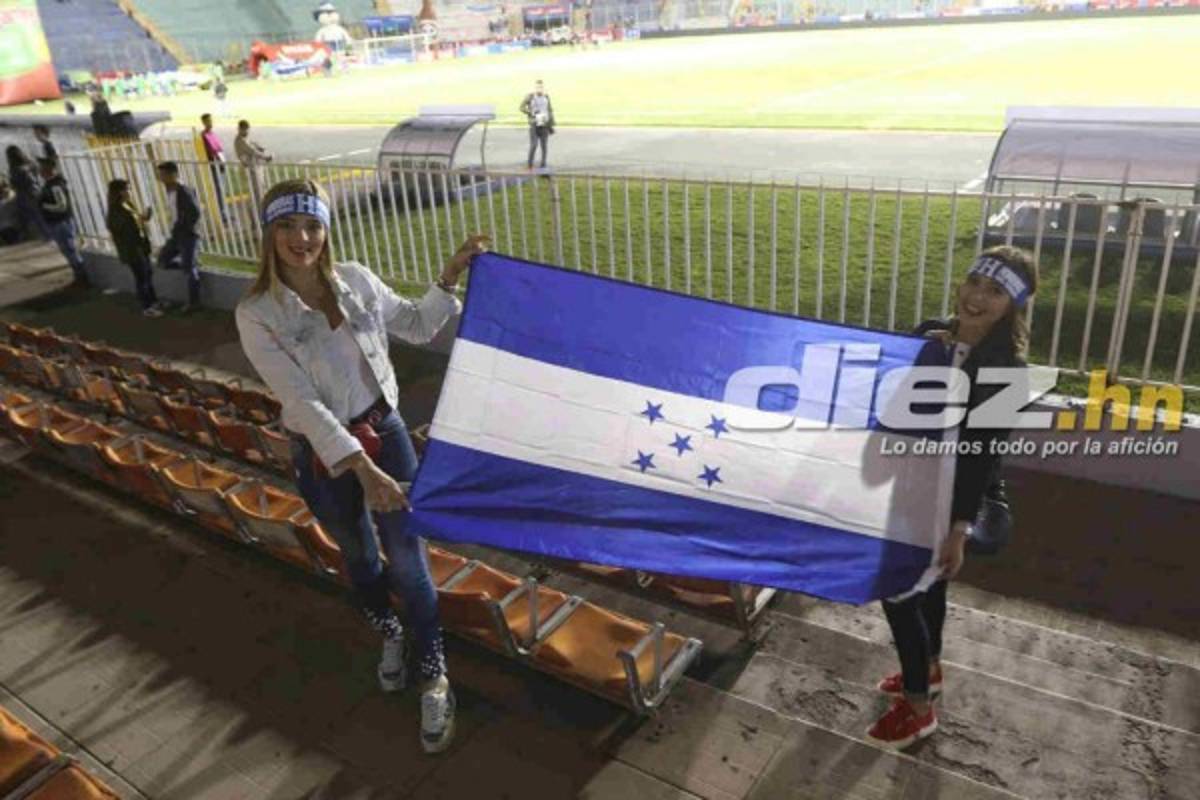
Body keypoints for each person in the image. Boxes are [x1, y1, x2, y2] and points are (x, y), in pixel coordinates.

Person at [235, 177, 489, 754]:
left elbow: (419, 324)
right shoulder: (257, 314)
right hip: (324, 455)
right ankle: (390, 632)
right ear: (269, 235)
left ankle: (433, 671)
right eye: (287, 227)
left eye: (312, 225)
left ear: (326, 228)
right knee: (357, 555)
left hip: (389, 433)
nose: (302, 238)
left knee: (408, 558)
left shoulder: (357, 281)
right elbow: (300, 401)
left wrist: (449, 275)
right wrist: (361, 470)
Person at [866, 245, 1039, 750]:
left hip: (967, 496)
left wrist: (958, 530)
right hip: (915, 481)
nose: (977, 297)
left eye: (995, 291)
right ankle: (931, 670)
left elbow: (982, 457)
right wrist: (930, 356)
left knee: (898, 592)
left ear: (1013, 306)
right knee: (928, 588)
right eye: (974, 283)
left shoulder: (1009, 370)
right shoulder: (930, 334)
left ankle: (919, 710)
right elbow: (898, 404)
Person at [105, 179, 163, 317]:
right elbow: (122, 230)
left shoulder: (127, 204)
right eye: (127, 189)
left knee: (148, 274)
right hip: (132, 249)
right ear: (119, 192)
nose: (130, 191)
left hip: (141, 245)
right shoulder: (115, 211)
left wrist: (144, 217)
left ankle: (153, 301)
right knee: (141, 277)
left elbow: (136, 221)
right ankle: (147, 307)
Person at [155, 161, 202, 312]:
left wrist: (185, 228)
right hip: (176, 235)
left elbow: (195, 213)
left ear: (173, 174)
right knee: (162, 261)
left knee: (189, 271)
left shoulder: (184, 190)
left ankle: (194, 303)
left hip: (187, 235)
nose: (160, 178)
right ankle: (191, 264)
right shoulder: (169, 190)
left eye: (163, 175)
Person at [36, 157, 89, 286]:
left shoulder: (55, 186)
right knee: (67, 250)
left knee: (70, 250)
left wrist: (44, 206)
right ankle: (80, 276)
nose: (40, 171)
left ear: (48, 170)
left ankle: (82, 278)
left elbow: (62, 206)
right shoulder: (52, 184)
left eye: (42, 168)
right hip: (58, 222)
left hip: (61, 223)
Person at [5, 145, 47, 240]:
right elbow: (36, 173)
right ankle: (49, 235)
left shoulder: (14, 169)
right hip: (36, 191)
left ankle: (45, 235)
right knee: (41, 215)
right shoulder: (30, 164)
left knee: (33, 216)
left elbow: (14, 184)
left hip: (25, 195)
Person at [234, 119, 273, 209]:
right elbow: (252, 151)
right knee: (256, 195)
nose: (246, 131)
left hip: (255, 169)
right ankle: (255, 217)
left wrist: (261, 148)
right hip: (249, 170)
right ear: (239, 129)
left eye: (247, 129)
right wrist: (266, 157)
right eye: (244, 129)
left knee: (260, 191)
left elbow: (254, 145)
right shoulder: (240, 140)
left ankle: (259, 213)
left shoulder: (246, 138)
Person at [519, 79, 555, 171]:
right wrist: (531, 112)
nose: (539, 89)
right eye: (538, 87)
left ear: (543, 88)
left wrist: (551, 124)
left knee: (544, 145)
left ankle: (543, 165)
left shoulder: (546, 96)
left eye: (541, 87)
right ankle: (530, 165)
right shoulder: (530, 96)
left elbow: (550, 110)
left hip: (544, 121)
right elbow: (521, 107)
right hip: (534, 122)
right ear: (535, 88)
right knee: (534, 145)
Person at [199, 113, 228, 220]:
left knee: (223, 188)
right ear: (203, 122)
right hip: (214, 164)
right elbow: (210, 151)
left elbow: (219, 148)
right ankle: (222, 214)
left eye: (211, 120)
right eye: (208, 121)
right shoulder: (204, 136)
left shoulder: (212, 133)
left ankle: (224, 212)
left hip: (220, 162)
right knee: (218, 189)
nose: (210, 123)